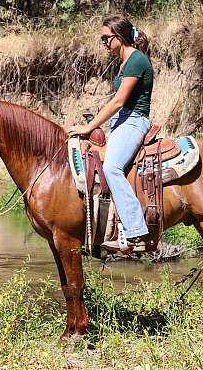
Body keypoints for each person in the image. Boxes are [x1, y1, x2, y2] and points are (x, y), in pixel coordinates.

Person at [67, 15, 153, 252]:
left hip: (134, 122)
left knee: (111, 168)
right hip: (122, 123)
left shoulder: (136, 60)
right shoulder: (125, 62)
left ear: (120, 36)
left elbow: (118, 102)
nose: (103, 42)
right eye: (101, 39)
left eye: (106, 38)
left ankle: (136, 231)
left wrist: (88, 126)